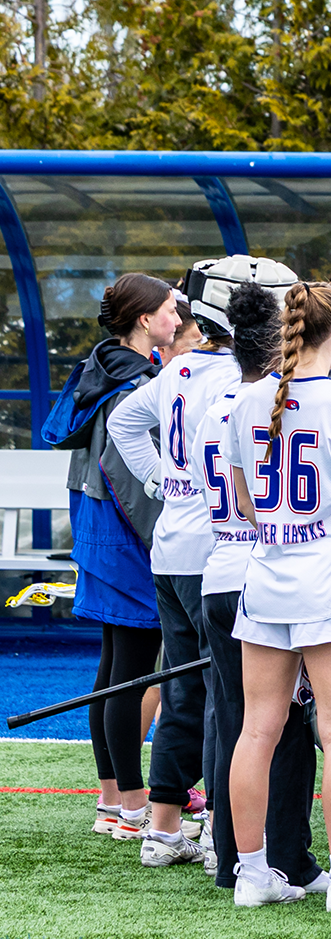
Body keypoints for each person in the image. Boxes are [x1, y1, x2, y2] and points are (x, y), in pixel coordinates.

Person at [223, 282, 331, 909]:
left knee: (256, 730)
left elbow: (242, 501)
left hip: (265, 576)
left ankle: (251, 873)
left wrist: (279, 537)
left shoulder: (247, 400)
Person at [107, 267, 257, 865]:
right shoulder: (239, 380)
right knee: (226, 692)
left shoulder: (177, 369)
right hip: (214, 550)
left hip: (171, 548)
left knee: (182, 686)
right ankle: (224, 831)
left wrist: (163, 481)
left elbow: (125, 422)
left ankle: (165, 828)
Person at [195, 280, 328, 894]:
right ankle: (289, 860)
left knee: (235, 722)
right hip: (274, 570)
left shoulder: (211, 406)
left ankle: (234, 859)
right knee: (289, 729)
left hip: (218, 568)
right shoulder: (287, 403)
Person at [45, 273, 179, 841]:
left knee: (115, 668)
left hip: (100, 531)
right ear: (145, 319)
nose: (180, 318)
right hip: (127, 536)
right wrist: (166, 542)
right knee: (131, 671)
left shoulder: (101, 366)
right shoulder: (135, 382)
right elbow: (131, 481)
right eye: (173, 310)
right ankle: (131, 804)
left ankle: (111, 801)